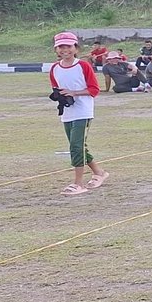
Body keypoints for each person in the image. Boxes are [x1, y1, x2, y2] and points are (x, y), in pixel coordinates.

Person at [49, 32, 107, 195]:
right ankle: (99, 173)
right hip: (67, 112)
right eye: (60, 47)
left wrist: (74, 93)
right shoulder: (54, 68)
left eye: (68, 46)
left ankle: (78, 183)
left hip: (83, 111)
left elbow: (94, 90)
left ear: (76, 48)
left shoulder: (83, 65)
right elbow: (56, 88)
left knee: (76, 146)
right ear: (56, 49)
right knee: (79, 146)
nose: (64, 50)